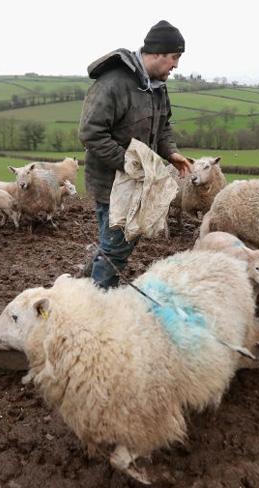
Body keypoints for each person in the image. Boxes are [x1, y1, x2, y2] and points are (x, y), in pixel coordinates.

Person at [79, 20, 193, 289]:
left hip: (137, 182)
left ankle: (82, 285)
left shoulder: (156, 86)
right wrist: (130, 163)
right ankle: (95, 302)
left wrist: (171, 153)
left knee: (116, 245)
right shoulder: (113, 84)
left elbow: (163, 126)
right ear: (156, 53)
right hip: (111, 183)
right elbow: (91, 133)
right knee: (117, 247)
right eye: (174, 57)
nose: (176, 65)